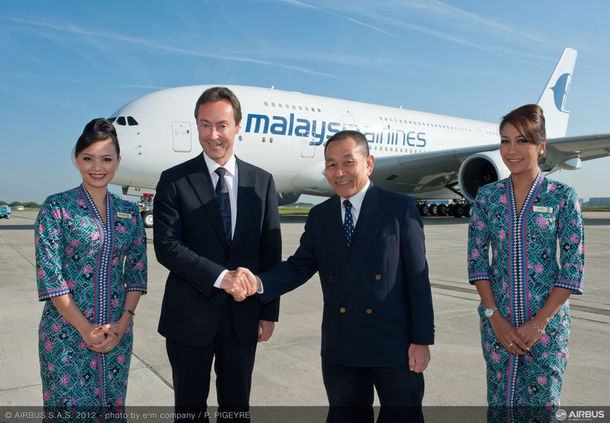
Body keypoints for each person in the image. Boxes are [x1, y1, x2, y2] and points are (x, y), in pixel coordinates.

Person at [224, 130, 434, 422]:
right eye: (331, 165)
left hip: (395, 347)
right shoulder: (320, 215)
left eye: (348, 162)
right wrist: (257, 283)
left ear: (369, 163)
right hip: (341, 346)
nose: (339, 172)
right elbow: (299, 266)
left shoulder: (399, 208)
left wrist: (421, 340)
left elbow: (418, 279)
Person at [154, 86, 281, 420]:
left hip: (243, 319)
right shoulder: (173, 181)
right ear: (196, 126)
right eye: (204, 124)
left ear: (238, 125)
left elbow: (271, 251)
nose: (213, 134)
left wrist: (269, 312)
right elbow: (167, 247)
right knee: (189, 409)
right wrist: (222, 278)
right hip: (188, 319)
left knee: (236, 408)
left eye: (222, 124)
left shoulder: (262, 182)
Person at [467, 104, 584, 409]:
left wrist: (539, 323)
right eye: (505, 140)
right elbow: (478, 261)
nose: (511, 150)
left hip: (548, 326)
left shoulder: (562, 196)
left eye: (522, 140)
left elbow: (572, 267)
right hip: (497, 325)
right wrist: (495, 317)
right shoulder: (487, 197)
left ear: (541, 147)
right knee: (500, 403)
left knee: (543, 406)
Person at [35, 118, 147, 409]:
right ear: (76, 159)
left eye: (106, 159)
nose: (97, 167)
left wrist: (123, 324)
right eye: (88, 158)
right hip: (65, 332)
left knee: (111, 407)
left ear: (118, 162)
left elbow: (136, 273)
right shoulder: (56, 207)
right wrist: (86, 330)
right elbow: (50, 276)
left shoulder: (129, 211)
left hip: (116, 332)